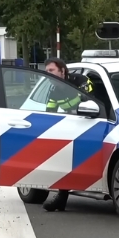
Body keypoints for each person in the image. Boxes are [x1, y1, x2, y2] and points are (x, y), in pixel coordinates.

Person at [41, 57, 94, 212]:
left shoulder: (80, 80)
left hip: (93, 123)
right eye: (46, 72)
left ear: (62, 70)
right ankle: (61, 197)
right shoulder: (54, 90)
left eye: (51, 70)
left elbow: (92, 98)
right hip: (73, 128)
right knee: (64, 159)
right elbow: (49, 112)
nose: (48, 74)